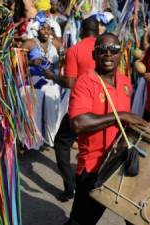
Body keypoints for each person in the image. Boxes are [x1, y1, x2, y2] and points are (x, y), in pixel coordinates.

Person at [65, 32, 150, 225]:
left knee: (136, 219)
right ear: (94, 55)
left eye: (114, 49)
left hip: (120, 161)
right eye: (102, 50)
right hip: (93, 167)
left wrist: (146, 126)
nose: (108, 54)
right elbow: (78, 123)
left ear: (121, 54)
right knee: (81, 221)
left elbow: (125, 123)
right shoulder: (85, 82)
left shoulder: (125, 82)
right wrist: (121, 116)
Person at [46, 16, 100, 202]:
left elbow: (70, 82)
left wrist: (53, 76)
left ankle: (71, 189)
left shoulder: (75, 50)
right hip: (102, 107)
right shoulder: (105, 48)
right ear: (98, 31)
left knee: (62, 143)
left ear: (82, 30)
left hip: (81, 109)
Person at [22, 12, 66, 151]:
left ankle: (51, 138)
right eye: (43, 28)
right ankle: (32, 140)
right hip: (32, 79)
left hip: (51, 79)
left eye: (48, 28)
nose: (46, 31)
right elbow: (17, 61)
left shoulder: (57, 44)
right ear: (36, 30)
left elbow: (64, 61)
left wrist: (62, 58)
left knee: (53, 96)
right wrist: (31, 61)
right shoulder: (29, 43)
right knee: (36, 99)